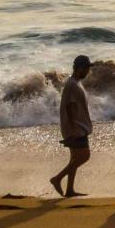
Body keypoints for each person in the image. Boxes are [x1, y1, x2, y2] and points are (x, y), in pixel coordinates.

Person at [50, 54, 94, 197]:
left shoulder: (75, 83)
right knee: (84, 156)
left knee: (74, 159)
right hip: (76, 128)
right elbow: (69, 107)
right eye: (87, 68)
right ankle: (57, 178)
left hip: (78, 126)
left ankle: (69, 190)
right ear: (80, 68)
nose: (88, 71)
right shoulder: (72, 85)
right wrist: (74, 129)